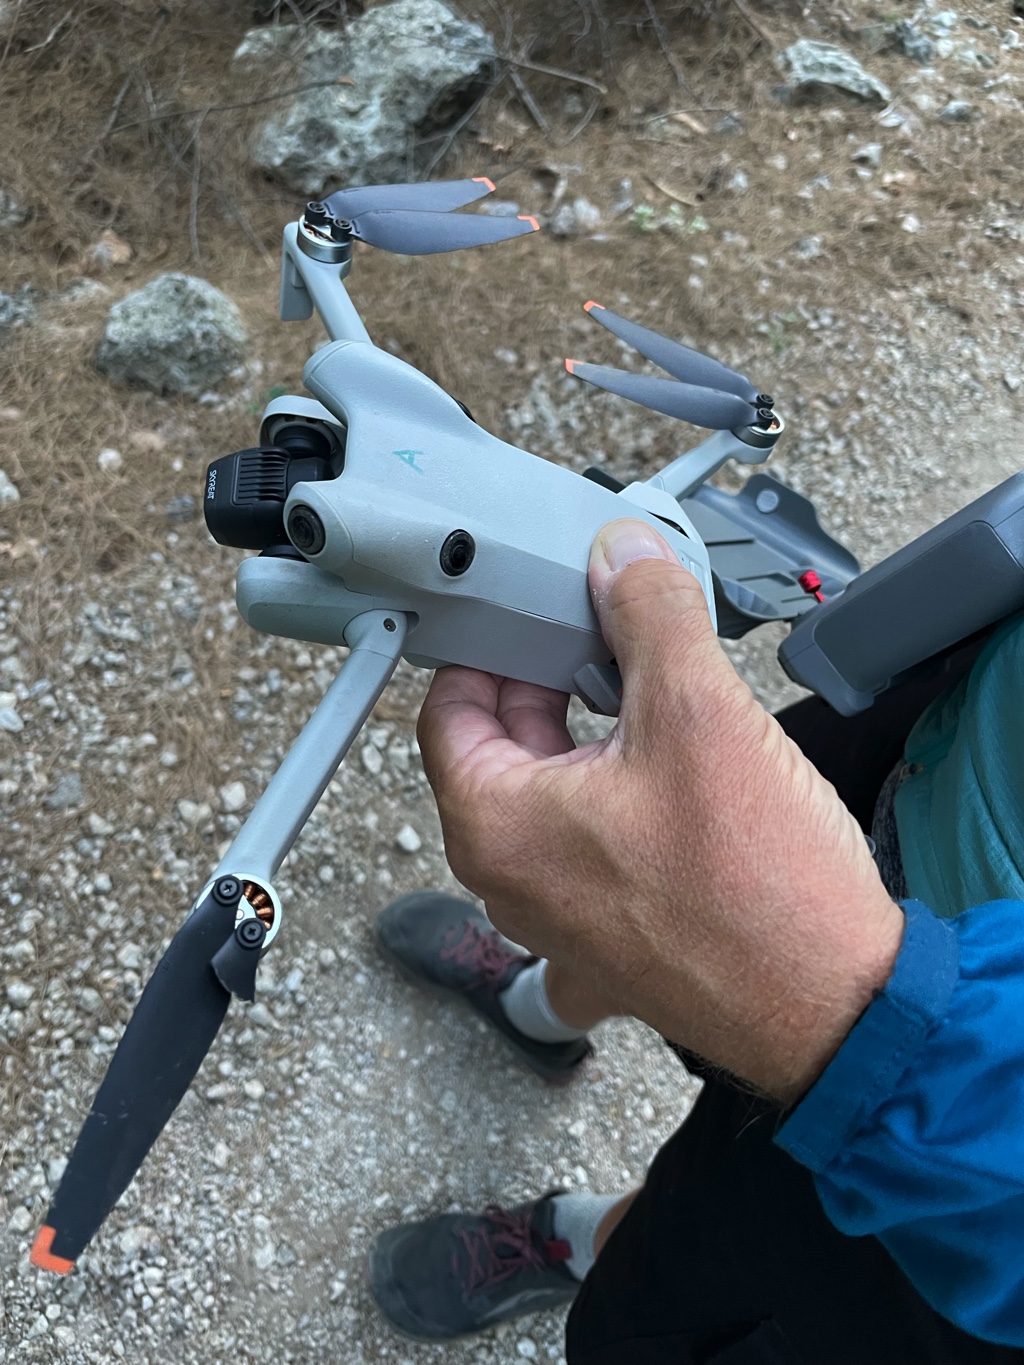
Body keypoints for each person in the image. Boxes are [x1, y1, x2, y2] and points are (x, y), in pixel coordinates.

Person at [367, 518, 1024, 1362]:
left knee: (719, 1211)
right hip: (953, 731)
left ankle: (577, 1239)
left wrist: (855, 1021)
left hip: (974, 1160)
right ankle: (536, 1009)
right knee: (635, 863)